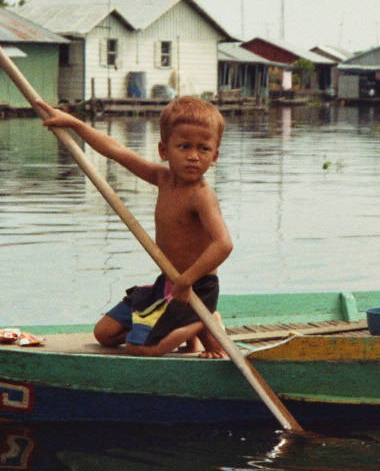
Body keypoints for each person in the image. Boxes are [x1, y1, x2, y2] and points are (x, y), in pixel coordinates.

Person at [31, 95, 232, 357]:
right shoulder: (162, 178)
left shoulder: (202, 195)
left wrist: (186, 280)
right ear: (164, 150)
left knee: (142, 348)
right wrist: (75, 124)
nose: (193, 156)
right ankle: (187, 328)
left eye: (203, 149)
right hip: (168, 284)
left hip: (196, 288)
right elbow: (117, 151)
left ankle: (205, 322)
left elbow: (223, 244)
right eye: (184, 146)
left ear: (214, 156)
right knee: (105, 334)